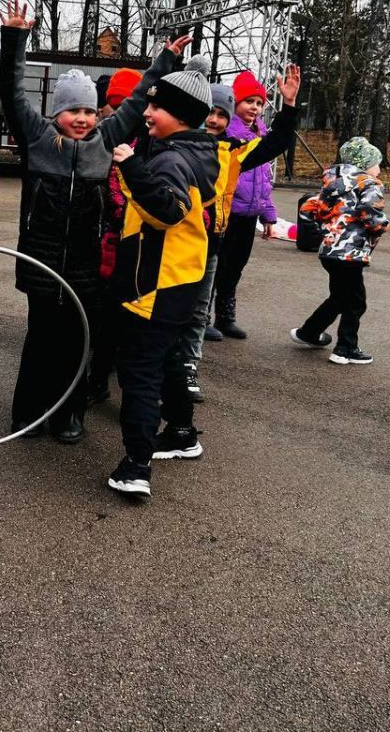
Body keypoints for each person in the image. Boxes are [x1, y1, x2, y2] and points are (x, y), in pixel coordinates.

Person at [0, 0, 187, 444]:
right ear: (56, 113)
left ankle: (68, 414)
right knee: (40, 338)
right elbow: (12, 91)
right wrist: (14, 39)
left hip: (85, 265)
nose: (81, 119)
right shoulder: (38, 139)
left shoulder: (107, 139)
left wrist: (163, 61)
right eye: (71, 111)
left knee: (75, 342)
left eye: (87, 111)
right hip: (41, 261)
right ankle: (27, 413)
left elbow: (140, 97)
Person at [107, 65, 302, 496]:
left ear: (179, 113)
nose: (147, 112)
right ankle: (180, 431)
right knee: (173, 358)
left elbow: (167, 210)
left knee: (139, 372)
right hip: (185, 277)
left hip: (157, 282)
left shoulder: (181, 157)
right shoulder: (200, 152)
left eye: (156, 106)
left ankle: (136, 466)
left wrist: (133, 168)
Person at [290, 136, 389, 365]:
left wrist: (320, 233)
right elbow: (369, 210)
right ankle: (346, 348)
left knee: (339, 297)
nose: (379, 168)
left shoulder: (331, 182)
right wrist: (380, 226)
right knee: (356, 301)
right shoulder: (370, 184)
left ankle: (309, 332)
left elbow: (309, 207)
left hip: (330, 251)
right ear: (365, 163)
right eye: (377, 163)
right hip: (350, 253)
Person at [88, 67, 145, 406]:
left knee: (127, 320)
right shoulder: (104, 139)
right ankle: (97, 378)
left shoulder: (146, 141)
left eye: (124, 104)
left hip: (132, 242)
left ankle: (115, 377)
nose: (117, 111)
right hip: (109, 240)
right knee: (106, 319)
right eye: (113, 104)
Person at [210, 70, 277, 340]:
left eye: (259, 103)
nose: (255, 107)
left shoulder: (261, 135)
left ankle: (226, 316)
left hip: (249, 216)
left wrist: (268, 215)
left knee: (236, 266)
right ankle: (202, 317)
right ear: (235, 103)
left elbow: (264, 182)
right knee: (217, 266)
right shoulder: (229, 135)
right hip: (228, 214)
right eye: (249, 101)